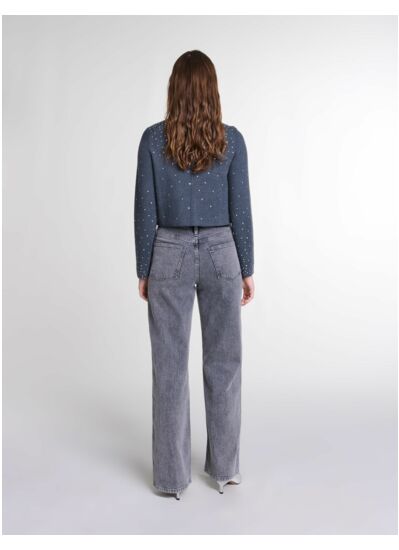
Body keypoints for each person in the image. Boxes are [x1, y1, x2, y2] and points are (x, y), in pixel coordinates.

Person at [134, 50, 255, 500]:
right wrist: (246, 267)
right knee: (224, 362)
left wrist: (144, 267)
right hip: (223, 252)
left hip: (168, 252)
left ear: (174, 89)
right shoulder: (231, 140)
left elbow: (145, 209)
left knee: (169, 366)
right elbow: (240, 208)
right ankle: (225, 470)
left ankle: (171, 478)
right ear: (212, 90)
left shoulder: (152, 139)